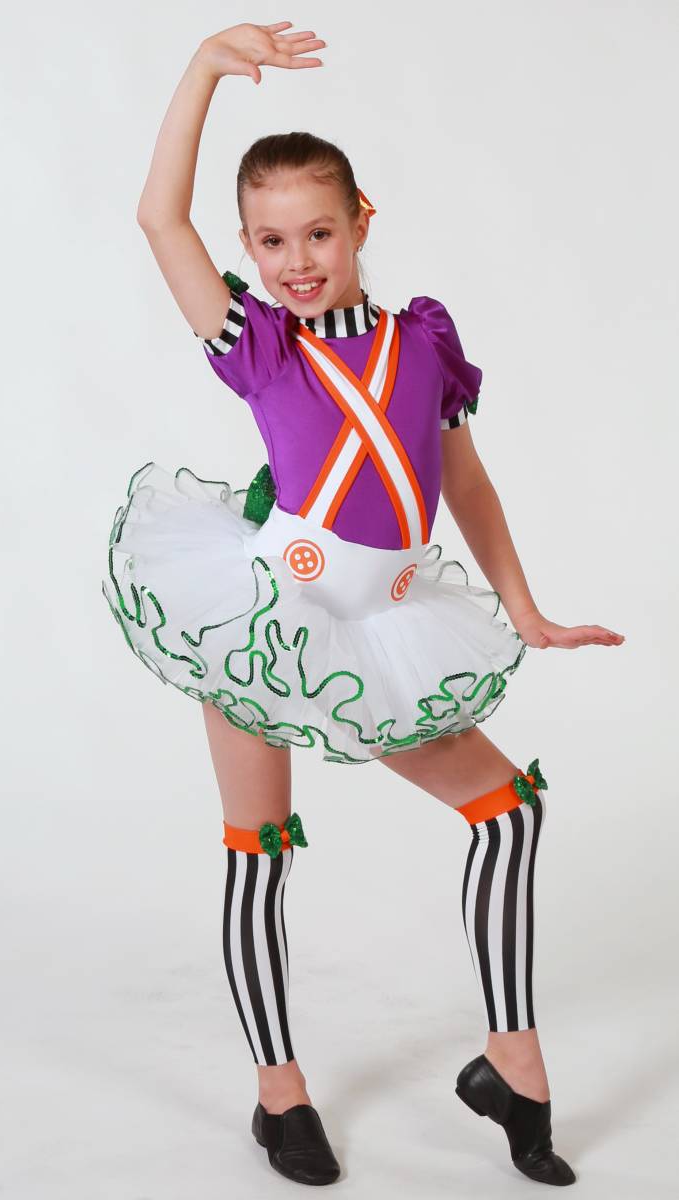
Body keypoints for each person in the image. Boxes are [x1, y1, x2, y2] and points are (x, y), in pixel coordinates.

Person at [102, 19, 625, 1189]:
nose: (297, 260)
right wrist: (202, 70)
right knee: (261, 850)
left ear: (360, 223)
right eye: (270, 239)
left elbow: (466, 484)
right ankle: (278, 1094)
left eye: (318, 232)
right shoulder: (257, 343)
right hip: (261, 622)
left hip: (382, 629)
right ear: (248, 245)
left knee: (508, 815)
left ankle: (512, 1064)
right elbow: (158, 220)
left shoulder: (422, 342)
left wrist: (525, 609)